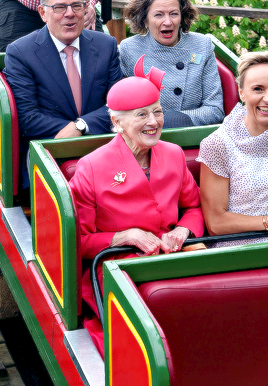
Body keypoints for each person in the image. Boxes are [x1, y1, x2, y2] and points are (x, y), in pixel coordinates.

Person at [69, 55, 204, 357]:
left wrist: (182, 231)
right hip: (119, 266)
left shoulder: (173, 154)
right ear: (116, 122)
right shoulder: (91, 167)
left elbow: (193, 208)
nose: (154, 122)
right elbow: (78, 240)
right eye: (141, 115)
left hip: (174, 254)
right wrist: (124, 236)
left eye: (157, 112)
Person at [3, 0, 122, 190]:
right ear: (42, 13)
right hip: (49, 157)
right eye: (59, 7)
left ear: (85, 9)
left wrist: (81, 126)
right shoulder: (20, 52)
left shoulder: (106, 45)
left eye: (76, 6)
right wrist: (72, 132)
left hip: (103, 149)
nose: (69, 14)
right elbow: (27, 118)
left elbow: (119, 104)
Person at [197, 51, 268, 247]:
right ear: (242, 93)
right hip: (242, 249)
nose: (267, 98)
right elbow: (216, 223)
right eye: (258, 89)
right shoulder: (218, 144)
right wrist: (265, 222)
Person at [119, 0, 224, 129]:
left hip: (189, 137)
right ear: (144, 20)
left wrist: (181, 119)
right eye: (158, 15)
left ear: (182, 16)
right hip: (146, 137)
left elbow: (215, 110)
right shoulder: (129, 49)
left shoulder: (202, 45)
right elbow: (120, 107)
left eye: (174, 14)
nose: (168, 22)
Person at [0, 0, 103, 52]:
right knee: (12, 52)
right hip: (23, 6)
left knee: (99, 49)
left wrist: (87, 3)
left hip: (73, 3)